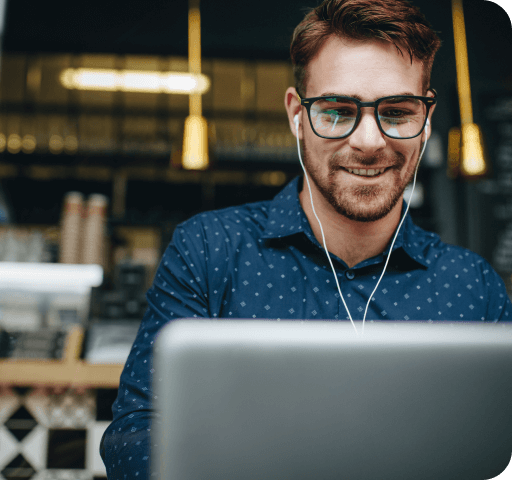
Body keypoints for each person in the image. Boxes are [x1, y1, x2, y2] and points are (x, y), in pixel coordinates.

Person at [100, 0, 512, 477]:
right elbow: (136, 435)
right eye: (338, 112)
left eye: (397, 112)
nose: (370, 140)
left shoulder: (472, 287)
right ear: (297, 115)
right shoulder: (210, 250)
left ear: (427, 119)